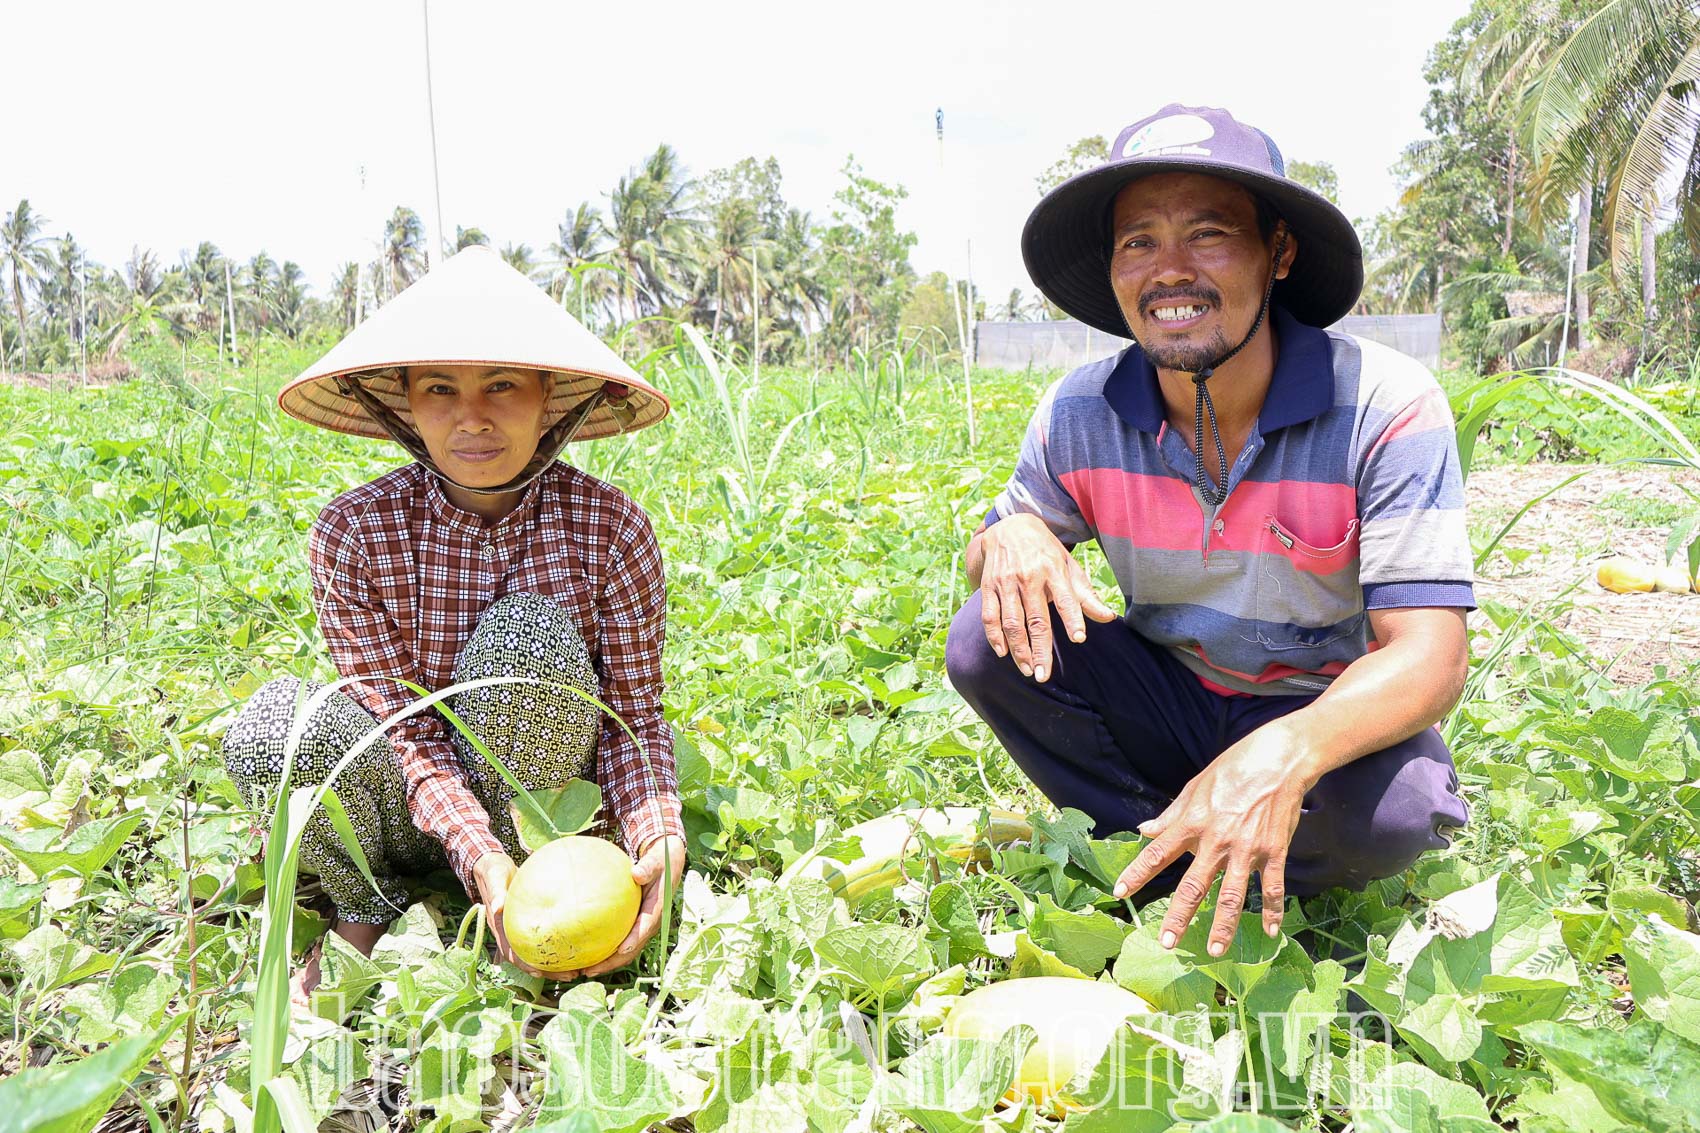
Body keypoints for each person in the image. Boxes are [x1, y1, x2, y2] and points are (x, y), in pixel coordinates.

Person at [945, 104, 1472, 960]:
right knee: (985, 639)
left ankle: (1233, 833)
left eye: (1210, 234)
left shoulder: (1385, 403)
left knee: (1401, 805)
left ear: (1280, 253)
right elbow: (994, 550)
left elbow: (1431, 654)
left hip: (1317, 708)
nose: (1171, 271)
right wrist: (1009, 538)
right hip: (1174, 693)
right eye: (1138, 242)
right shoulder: (1079, 411)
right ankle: (1163, 845)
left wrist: (1285, 751)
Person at [223, 246, 685, 997]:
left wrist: (660, 836)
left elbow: (633, 720)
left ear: (549, 399)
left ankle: (523, 908)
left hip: (545, 822)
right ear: (406, 401)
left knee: (527, 638)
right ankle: (369, 901)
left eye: (503, 384)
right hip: (412, 808)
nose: (472, 415)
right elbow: (399, 729)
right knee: (274, 729)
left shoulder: (612, 528)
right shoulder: (353, 533)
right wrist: (478, 855)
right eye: (441, 387)